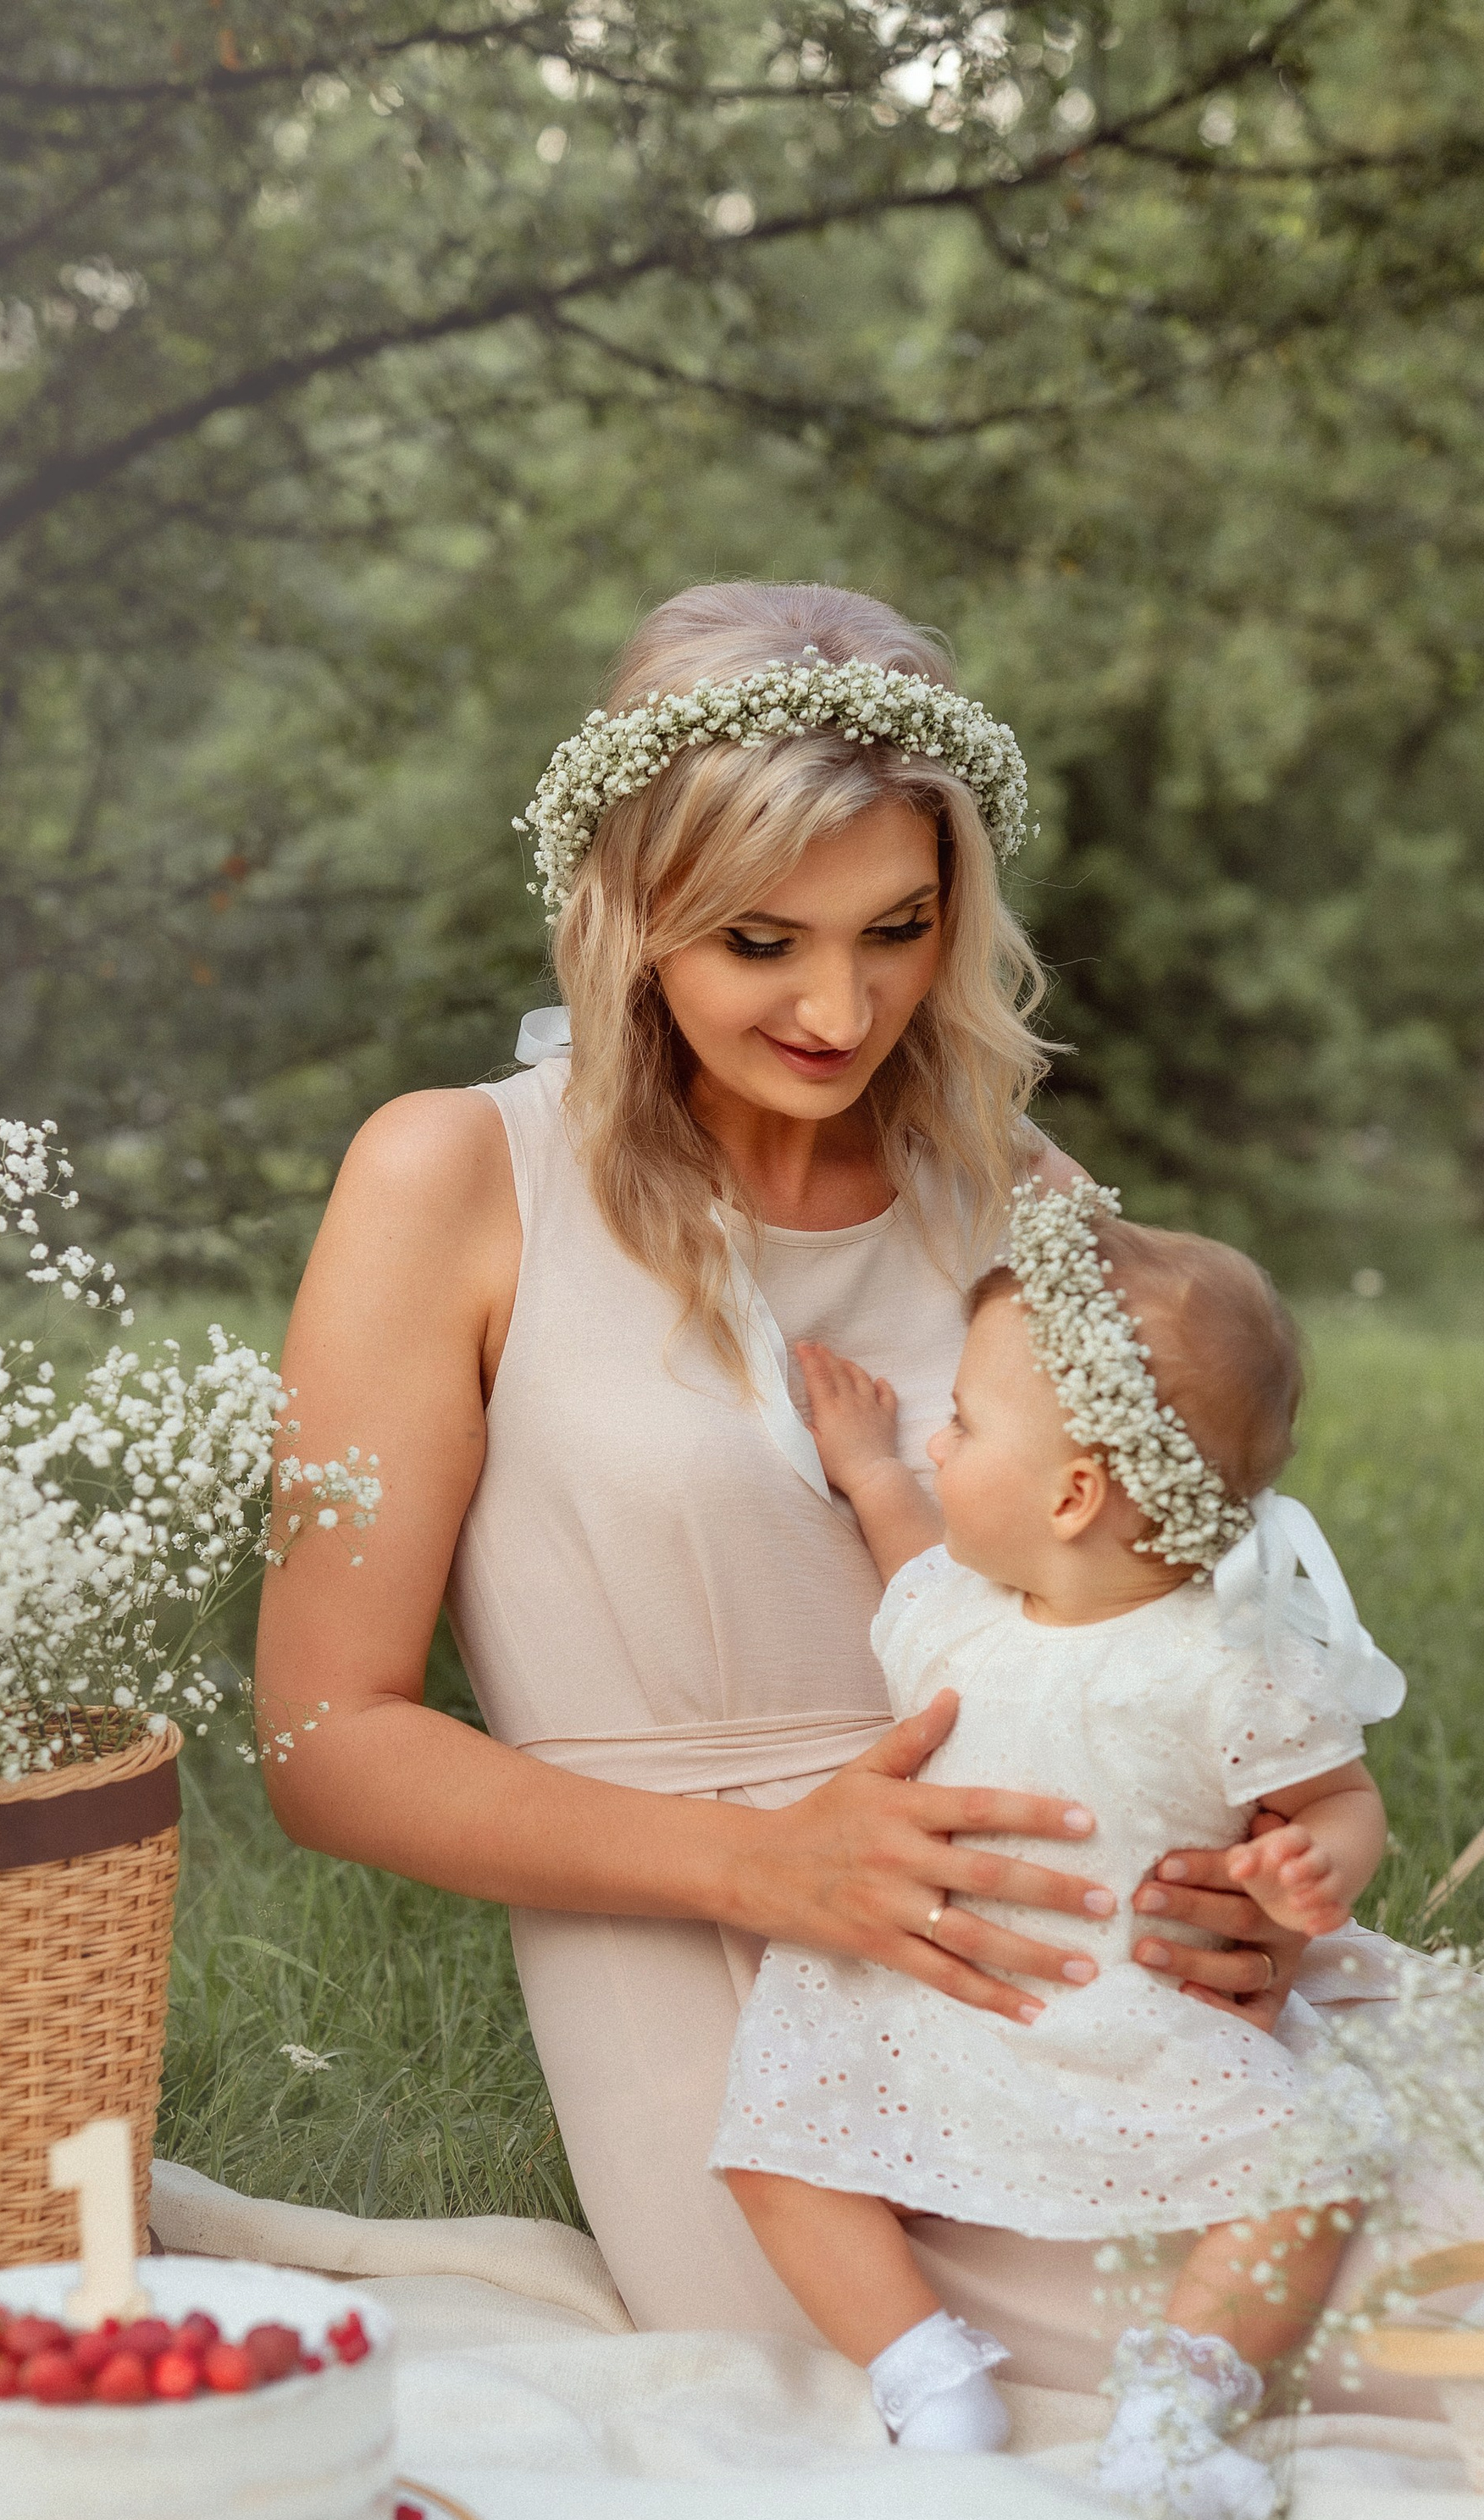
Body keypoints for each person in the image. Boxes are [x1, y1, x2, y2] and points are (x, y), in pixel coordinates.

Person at [255, 577, 1418, 2390]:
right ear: (627, 909)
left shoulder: (1011, 1188)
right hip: (710, 1956)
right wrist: (771, 1865)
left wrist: (1227, 1894)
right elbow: (322, 1743)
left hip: (1070, 1931)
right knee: (1030, 2387)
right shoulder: (454, 1177)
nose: (837, 1003)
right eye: (758, 941)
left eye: (896, 928)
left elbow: (1147, 1599)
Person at [708, 1183, 1405, 2520]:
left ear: (1075, 1494)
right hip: (933, 1996)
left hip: (1137, 2008)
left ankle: (1179, 2402)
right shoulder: (959, 1614)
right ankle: (927, 2373)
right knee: (774, 2148)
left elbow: (1339, 1796)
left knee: (1320, 2157)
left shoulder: (1222, 1661)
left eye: (961, 1424)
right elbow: (915, 1536)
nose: (935, 1435)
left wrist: (1316, 1870)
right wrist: (867, 1467)